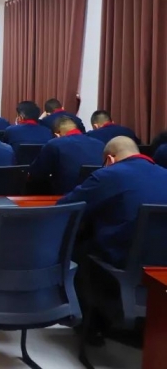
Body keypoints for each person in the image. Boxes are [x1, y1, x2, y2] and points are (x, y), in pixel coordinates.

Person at [58, 137, 167, 342]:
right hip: (162, 264)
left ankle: (90, 328)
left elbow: (65, 208)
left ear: (109, 159)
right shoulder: (164, 173)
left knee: (77, 247)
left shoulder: (108, 175)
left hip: (126, 261)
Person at [29, 116, 104, 194]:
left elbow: (36, 174)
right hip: (97, 195)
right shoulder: (100, 144)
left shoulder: (54, 144)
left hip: (65, 197)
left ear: (57, 135)